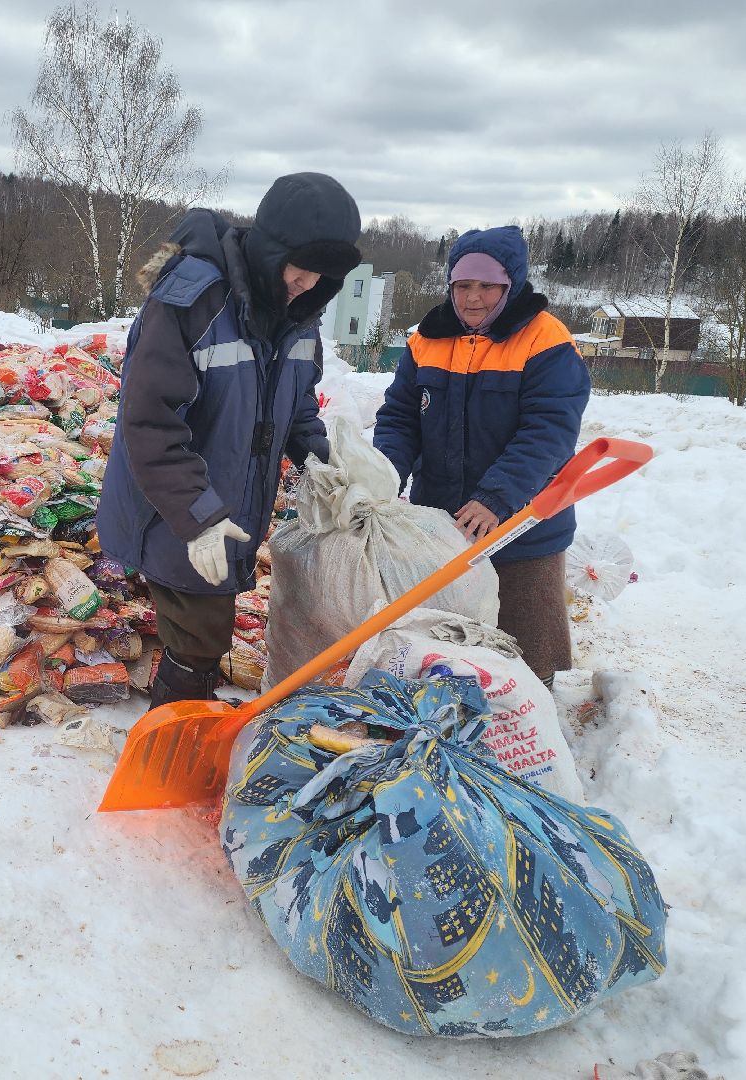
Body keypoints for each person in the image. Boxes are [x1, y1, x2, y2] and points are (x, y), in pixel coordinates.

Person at [97, 172, 362, 707]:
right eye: (301, 269)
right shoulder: (192, 300)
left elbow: (296, 405)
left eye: (323, 277)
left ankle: (183, 724)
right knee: (199, 636)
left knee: (199, 632)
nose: (308, 285)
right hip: (173, 506)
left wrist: (322, 465)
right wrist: (199, 514)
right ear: (270, 251)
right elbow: (151, 420)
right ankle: (169, 749)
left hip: (231, 503)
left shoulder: (298, 316)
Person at [371, 225, 591, 687]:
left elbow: (548, 431)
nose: (473, 298)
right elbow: (400, 419)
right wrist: (382, 478)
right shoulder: (426, 339)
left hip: (522, 523)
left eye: (488, 286)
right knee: (447, 638)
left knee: (526, 645)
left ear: (511, 285)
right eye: (462, 285)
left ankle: (530, 727)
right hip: (442, 521)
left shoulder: (545, 341)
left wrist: (496, 497)